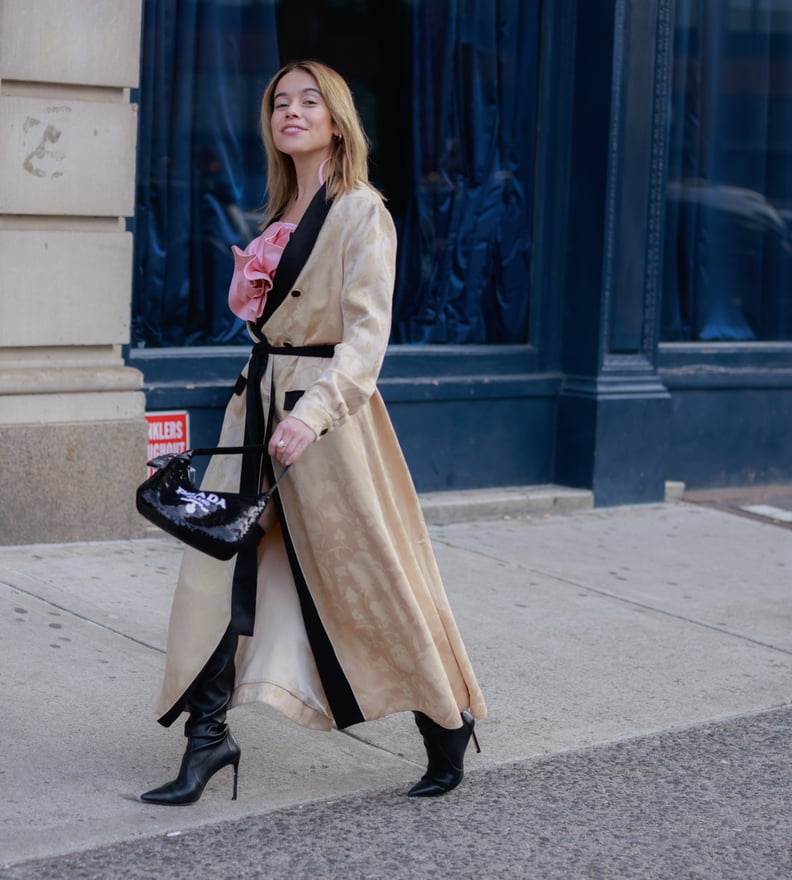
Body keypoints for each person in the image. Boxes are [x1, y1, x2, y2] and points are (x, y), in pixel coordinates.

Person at [140, 59, 487, 806]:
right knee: (213, 572)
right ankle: (208, 741)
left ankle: (444, 718)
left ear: (336, 119)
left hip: (326, 426)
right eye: (278, 103)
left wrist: (311, 413)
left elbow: (367, 339)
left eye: (308, 101)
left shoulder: (362, 211)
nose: (289, 112)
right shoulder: (278, 213)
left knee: (369, 582)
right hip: (256, 409)